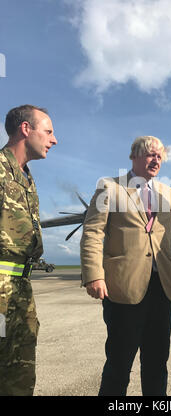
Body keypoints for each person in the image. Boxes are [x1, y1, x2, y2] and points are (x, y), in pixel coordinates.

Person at [80, 136, 171, 396]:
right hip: (123, 289)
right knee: (119, 363)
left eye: (160, 156)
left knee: (158, 362)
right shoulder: (110, 187)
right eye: (150, 154)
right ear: (134, 156)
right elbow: (93, 232)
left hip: (162, 289)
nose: (156, 160)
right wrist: (94, 274)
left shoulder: (168, 194)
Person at [0, 105, 57, 396]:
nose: (54, 139)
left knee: (18, 377)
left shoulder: (25, 177)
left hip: (19, 288)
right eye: (48, 131)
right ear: (26, 129)